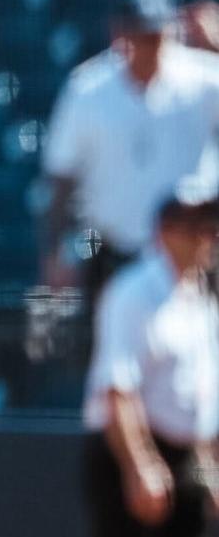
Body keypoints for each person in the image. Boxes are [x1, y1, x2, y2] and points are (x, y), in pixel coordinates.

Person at [40, 0, 219, 303]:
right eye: (140, 36)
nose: (150, 47)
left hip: (192, 257)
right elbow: (61, 178)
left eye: (156, 35)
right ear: (119, 34)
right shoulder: (87, 90)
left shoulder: (203, 80)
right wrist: (55, 252)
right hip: (117, 254)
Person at [83, 168, 219, 537]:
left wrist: (211, 468)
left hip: (187, 457)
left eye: (210, 226)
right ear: (165, 232)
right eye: (194, 226)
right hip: (138, 455)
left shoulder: (202, 299)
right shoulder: (133, 293)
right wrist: (138, 465)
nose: (207, 236)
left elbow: (202, 397)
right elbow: (118, 387)